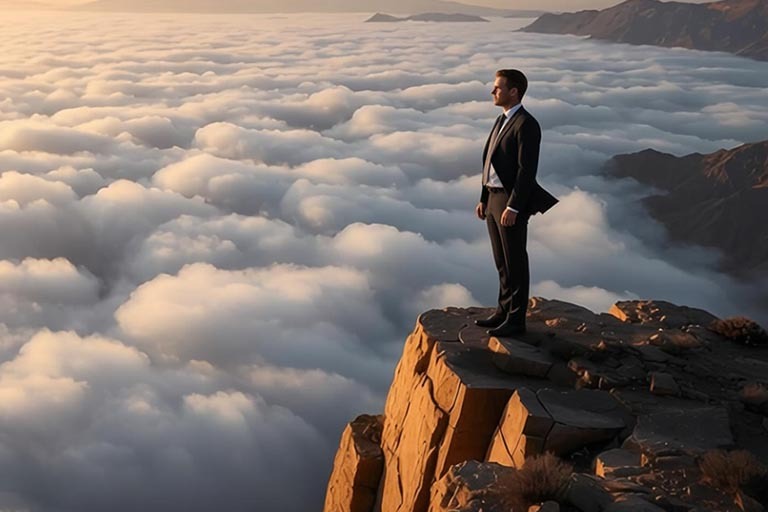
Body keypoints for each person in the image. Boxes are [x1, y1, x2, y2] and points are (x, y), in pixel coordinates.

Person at [474, 69, 558, 336]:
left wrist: (514, 206)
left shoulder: (526, 124)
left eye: (498, 87)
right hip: (493, 199)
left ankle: (515, 320)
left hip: (510, 202)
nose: (492, 91)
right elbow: (490, 161)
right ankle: (503, 310)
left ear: (514, 92)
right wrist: (483, 197)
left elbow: (526, 170)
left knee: (515, 261)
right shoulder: (501, 120)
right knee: (501, 260)